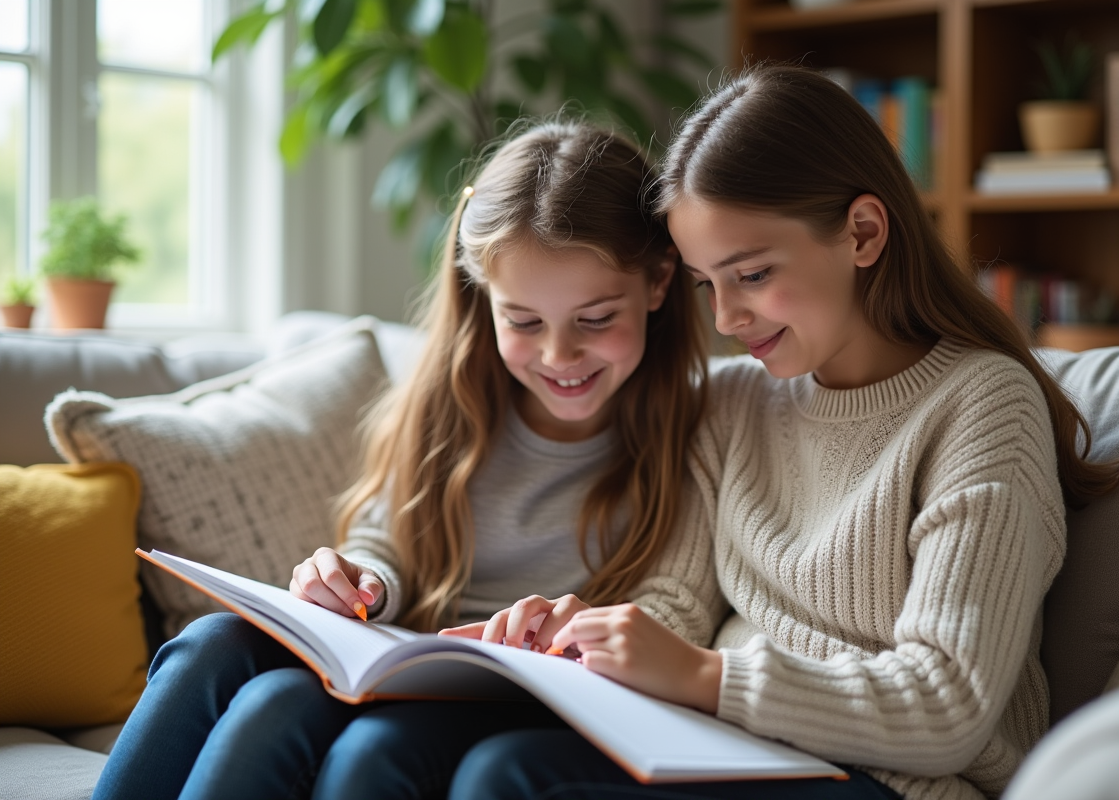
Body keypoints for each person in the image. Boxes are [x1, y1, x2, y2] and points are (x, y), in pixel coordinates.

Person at [441, 65, 1119, 800]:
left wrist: (703, 675)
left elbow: (948, 703)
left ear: (862, 233)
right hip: (729, 749)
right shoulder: (734, 403)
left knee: (509, 779)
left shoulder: (983, 406)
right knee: (498, 765)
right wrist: (595, 639)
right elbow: (678, 599)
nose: (727, 319)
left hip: (893, 782)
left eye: (754, 274)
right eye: (708, 283)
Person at [91, 119, 708, 800]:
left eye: (595, 320)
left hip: (552, 697)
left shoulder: (699, 429)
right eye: (524, 322)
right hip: (414, 658)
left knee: (348, 740)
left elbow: (677, 604)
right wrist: (363, 583)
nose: (559, 357)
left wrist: (580, 629)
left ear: (657, 283)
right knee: (216, 645)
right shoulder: (453, 400)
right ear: (484, 298)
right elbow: (388, 539)